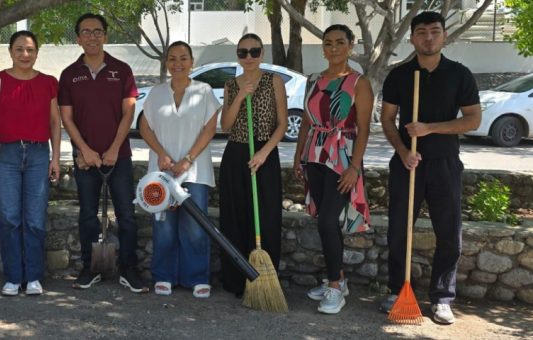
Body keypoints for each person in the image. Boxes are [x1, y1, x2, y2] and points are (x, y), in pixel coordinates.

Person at [378, 11, 481, 325]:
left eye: (435, 31)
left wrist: (429, 128)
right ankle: (398, 289)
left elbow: (472, 120)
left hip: (445, 164)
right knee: (398, 231)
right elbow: (387, 118)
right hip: (407, 163)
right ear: (412, 38)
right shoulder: (399, 75)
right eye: (421, 32)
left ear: (444, 36)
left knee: (448, 233)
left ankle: (442, 298)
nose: (428, 37)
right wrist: (402, 150)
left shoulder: (459, 75)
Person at [58, 13, 148, 293]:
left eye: (98, 32)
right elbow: (67, 119)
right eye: (86, 32)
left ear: (106, 36)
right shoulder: (70, 74)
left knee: (126, 215)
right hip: (86, 160)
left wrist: (112, 150)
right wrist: (84, 150)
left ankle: (129, 269)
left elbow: (129, 112)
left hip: (117, 158)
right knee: (87, 215)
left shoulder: (121, 70)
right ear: (78, 38)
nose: (92, 37)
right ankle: (90, 268)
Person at [293, 25, 373, 314]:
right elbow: (305, 120)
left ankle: (336, 286)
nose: (334, 48)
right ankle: (336, 279)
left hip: (342, 157)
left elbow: (364, 128)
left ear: (351, 45)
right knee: (323, 220)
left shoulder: (359, 83)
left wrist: (354, 167)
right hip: (314, 155)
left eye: (340, 42)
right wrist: (299, 155)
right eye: (328, 43)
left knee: (328, 221)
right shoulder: (313, 80)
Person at [0, 30, 61, 296]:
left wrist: (56, 157)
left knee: (36, 218)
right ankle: (14, 277)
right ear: (10, 52)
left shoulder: (49, 82)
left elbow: (54, 122)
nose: (24, 54)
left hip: (38, 154)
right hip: (7, 154)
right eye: (19, 49)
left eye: (29, 49)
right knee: (10, 217)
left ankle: (34, 276)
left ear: (37, 52)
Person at [139, 41, 220, 298]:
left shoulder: (204, 91)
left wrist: (188, 158)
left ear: (191, 61)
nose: (178, 63)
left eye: (183, 58)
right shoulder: (156, 93)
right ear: (166, 63)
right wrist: (161, 154)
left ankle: (197, 277)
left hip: (194, 171)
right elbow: (144, 127)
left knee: (195, 225)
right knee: (164, 224)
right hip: (162, 171)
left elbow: (210, 128)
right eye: (172, 59)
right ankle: (163, 275)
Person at [218, 33, 288, 296]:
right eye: (243, 52)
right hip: (236, 153)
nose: (248, 57)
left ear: (262, 54)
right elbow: (225, 126)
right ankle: (235, 280)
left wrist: (264, 152)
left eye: (254, 51)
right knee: (235, 216)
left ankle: (262, 281)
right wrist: (239, 97)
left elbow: (282, 124)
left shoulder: (274, 81)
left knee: (265, 217)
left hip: (264, 154)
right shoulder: (230, 85)